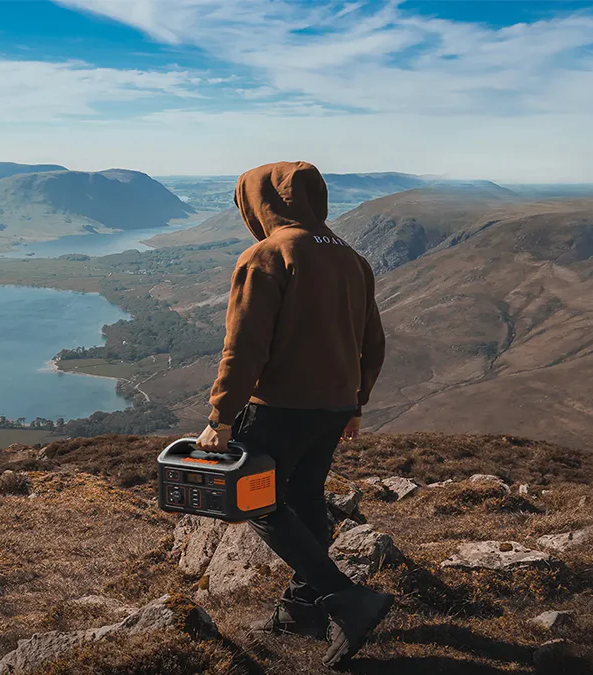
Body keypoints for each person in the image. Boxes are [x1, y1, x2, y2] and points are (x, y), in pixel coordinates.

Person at [195, 161, 390, 668]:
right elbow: (372, 341)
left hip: (280, 408)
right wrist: (357, 404)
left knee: (255, 501)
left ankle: (345, 598)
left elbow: (244, 347)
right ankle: (301, 612)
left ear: (259, 202)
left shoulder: (268, 254)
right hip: (334, 408)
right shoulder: (352, 258)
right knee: (303, 498)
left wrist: (220, 417)